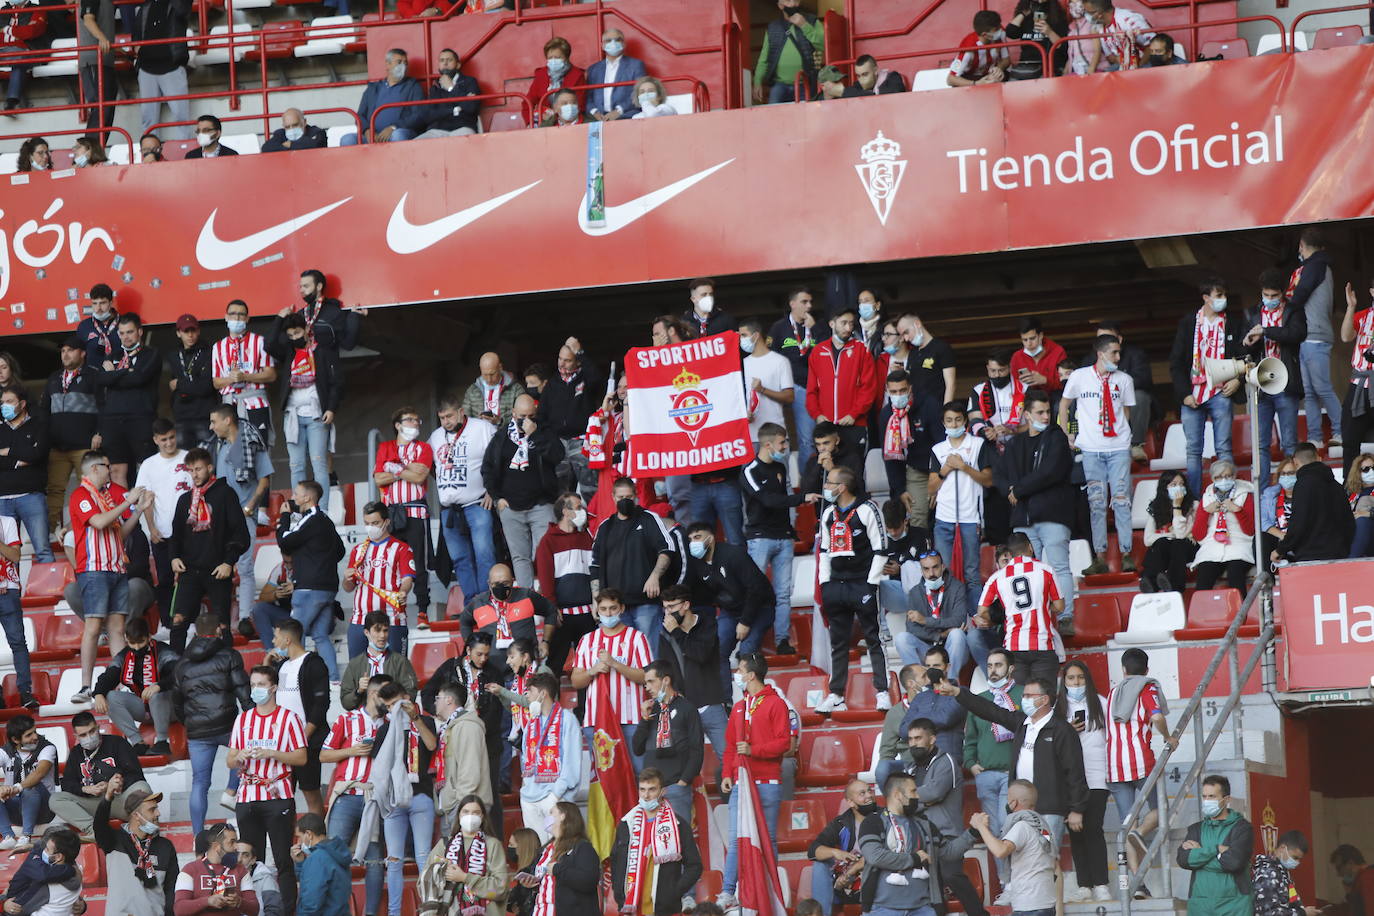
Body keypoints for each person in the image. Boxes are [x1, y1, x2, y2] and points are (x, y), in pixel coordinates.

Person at [936, 675, 1088, 849]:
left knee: (1048, 858)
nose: (1024, 699)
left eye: (1029, 696)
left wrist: (1077, 809)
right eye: (1024, 695)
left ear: (1044, 699)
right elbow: (990, 710)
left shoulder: (1062, 729)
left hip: (1049, 810)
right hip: (1019, 810)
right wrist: (957, 692)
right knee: (1022, 857)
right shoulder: (1022, 723)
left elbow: (1075, 771)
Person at [68, 450, 147, 704]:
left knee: (117, 629)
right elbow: (100, 523)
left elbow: (118, 534)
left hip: (115, 569)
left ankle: (122, 681)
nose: (110, 470)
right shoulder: (81, 495)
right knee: (93, 627)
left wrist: (139, 510)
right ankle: (85, 686)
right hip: (94, 569)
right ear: (94, 469)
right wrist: (128, 502)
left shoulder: (104, 497)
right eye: (106, 466)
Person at [997, 388, 1077, 630]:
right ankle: (1030, 620)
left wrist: (1017, 490)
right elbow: (999, 476)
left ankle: (1065, 618)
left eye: (1047, 412)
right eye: (1040, 412)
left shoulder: (1057, 438)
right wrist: (1009, 490)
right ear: (1026, 414)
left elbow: (1050, 472)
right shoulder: (1014, 444)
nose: (1045, 417)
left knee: (1058, 567)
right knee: (1024, 572)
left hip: (1053, 515)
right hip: (1023, 518)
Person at [229, 666, 307, 913]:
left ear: (274, 688)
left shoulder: (289, 718)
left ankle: (286, 910)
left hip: (278, 796)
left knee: (283, 860)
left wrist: (273, 753)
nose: (256, 690)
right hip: (247, 796)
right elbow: (230, 760)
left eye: (261, 685)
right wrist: (238, 756)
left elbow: (302, 758)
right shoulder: (243, 719)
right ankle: (255, 909)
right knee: (250, 860)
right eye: (253, 685)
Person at [718, 652, 789, 910]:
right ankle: (728, 892)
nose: (737, 675)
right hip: (741, 782)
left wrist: (753, 750)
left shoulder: (776, 704)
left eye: (740, 671)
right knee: (738, 838)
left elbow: (784, 743)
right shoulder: (739, 707)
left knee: (767, 838)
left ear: (751, 675)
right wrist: (727, 772)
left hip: (768, 781)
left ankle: (770, 888)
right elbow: (729, 746)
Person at [1061, 334, 1137, 576]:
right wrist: (1067, 434)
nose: (1118, 356)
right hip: (1092, 449)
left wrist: (1123, 436)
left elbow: (1126, 410)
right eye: (1114, 352)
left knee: (1122, 500)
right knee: (1096, 503)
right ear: (1101, 353)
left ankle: (1127, 554)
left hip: (1118, 447)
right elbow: (1064, 404)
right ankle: (1100, 557)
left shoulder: (1124, 379)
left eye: (1118, 352)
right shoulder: (1079, 376)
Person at [815, 465, 888, 714]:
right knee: (838, 642)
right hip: (836, 585)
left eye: (829, 483)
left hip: (861, 583)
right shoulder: (828, 514)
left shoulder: (868, 510)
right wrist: (825, 583)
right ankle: (836, 694)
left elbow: (881, 549)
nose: (825, 488)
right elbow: (824, 551)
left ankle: (882, 691)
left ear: (841, 487)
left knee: (873, 638)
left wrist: (871, 583)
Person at [172, 610, 250, 834]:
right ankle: (230, 792)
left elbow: (176, 702)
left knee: (199, 783)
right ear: (218, 630)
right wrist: (252, 717)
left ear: (195, 633)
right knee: (247, 751)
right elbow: (243, 691)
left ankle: (198, 835)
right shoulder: (229, 655)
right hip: (227, 724)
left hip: (197, 731)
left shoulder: (182, 664)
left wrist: (189, 722)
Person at [169, 447, 252, 652]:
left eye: (198, 469)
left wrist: (228, 561)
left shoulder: (225, 494)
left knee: (222, 624)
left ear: (210, 468)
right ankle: (174, 670)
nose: (194, 474)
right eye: (190, 470)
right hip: (189, 570)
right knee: (178, 620)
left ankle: (227, 667)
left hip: (217, 570)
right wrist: (174, 557)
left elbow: (241, 534)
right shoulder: (184, 500)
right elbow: (175, 535)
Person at [1107, 649, 1177, 892]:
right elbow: (1157, 717)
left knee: (1126, 824)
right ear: (1147, 670)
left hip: (1115, 767)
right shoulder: (1147, 687)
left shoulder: (1113, 691)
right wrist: (1169, 738)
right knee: (1163, 811)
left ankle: (1137, 885)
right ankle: (1141, 831)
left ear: (1123, 670)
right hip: (1141, 763)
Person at [905, 717, 989, 916]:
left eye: (918, 738)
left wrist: (914, 798)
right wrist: (920, 799)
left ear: (932, 739)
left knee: (952, 875)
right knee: (931, 889)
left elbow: (934, 792)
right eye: (910, 739)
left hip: (947, 834)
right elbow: (906, 801)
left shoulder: (946, 761)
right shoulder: (910, 768)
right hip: (921, 837)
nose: (913, 743)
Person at [319, 675, 387, 916]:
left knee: (375, 861)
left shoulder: (389, 724)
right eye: (385, 696)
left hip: (375, 799)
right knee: (333, 857)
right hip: (347, 795)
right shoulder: (347, 720)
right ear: (372, 695)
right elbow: (323, 756)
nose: (388, 702)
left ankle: (370, 913)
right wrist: (352, 751)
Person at [1171, 279, 1245, 496]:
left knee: (1224, 447)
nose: (1223, 300)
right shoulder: (1188, 323)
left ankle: (1229, 496)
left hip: (1221, 391)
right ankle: (1194, 500)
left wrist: (1237, 378)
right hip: (1192, 393)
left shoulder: (1232, 321)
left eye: (1224, 295)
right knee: (1194, 451)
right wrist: (1184, 394)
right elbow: (1176, 361)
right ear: (1205, 297)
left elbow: (1242, 355)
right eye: (1218, 295)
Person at [742, 423, 810, 657]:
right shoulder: (749, 470)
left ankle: (782, 640)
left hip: (783, 537)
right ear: (767, 444)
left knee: (782, 594)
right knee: (754, 591)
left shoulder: (780, 467)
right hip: (760, 538)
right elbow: (767, 500)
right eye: (782, 443)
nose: (785, 447)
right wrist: (802, 498)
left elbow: (780, 501)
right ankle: (749, 643)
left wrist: (790, 530)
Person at [482, 394, 560, 590]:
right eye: (522, 416)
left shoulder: (543, 430)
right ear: (513, 413)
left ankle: (547, 597)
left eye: (531, 415)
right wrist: (497, 497)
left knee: (544, 553)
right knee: (520, 557)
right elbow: (488, 468)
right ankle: (527, 599)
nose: (527, 420)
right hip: (510, 506)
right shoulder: (501, 437)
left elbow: (558, 455)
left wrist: (535, 435)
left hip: (541, 504)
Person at [590, 477, 676, 648]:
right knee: (623, 653)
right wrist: (595, 600)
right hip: (614, 605)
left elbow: (667, 549)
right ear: (613, 497)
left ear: (636, 496)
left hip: (646, 602)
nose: (624, 501)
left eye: (628, 497)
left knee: (649, 652)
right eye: (621, 498)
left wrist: (654, 577)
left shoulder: (649, 518)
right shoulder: (605, 527)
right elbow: (595, 564)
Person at [685, 519, 774, 682]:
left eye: (697, 537)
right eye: (690, 539)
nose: (693, 543)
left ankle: (753, 700)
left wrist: (746, 622)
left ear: (710, 538)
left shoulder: (734, 555)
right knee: (717, 651)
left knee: (747, 653)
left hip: (759, 608)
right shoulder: (697, 564)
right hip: (730, 611)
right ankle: (726, 703)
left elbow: (756, 589)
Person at [267, 312, 341, 507]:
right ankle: (300, 510)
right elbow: (269, 345)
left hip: (317, 414)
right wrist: (279, 319)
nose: (294, 338)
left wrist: (331, 408)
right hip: (293, 415)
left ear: (307, 329)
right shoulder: (289, 351)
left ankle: (322, 510)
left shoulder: (322, 351)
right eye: (290, 335)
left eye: (297, 333)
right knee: (296, 465)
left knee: (319, 464)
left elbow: (336, 382)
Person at [206, 404, 273, 620]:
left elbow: (264, 479)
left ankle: (245, 617)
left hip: (244, 516)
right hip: (221, 517)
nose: (211, 426)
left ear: (227, 421)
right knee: (219, 567)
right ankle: (222, 618)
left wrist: (250, 506)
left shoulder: (252, 442)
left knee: (244, 567)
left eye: (214, 421)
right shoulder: (218, 446)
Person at [951, 780, 1056, 916]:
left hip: (1030, 905)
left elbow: (1000, 851)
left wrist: (980, 826)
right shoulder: (1044, 827)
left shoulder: (1022, 826)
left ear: (1014, 803)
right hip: (1046, 902)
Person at [962, 648, 1020, 894]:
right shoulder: (980, 699)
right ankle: (1007, 883)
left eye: (998, 665)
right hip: (985, 776)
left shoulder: (1022, 695)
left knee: (1008, 830)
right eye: (990, 665)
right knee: (993, 831)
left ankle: (1017, 883)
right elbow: (970, 739)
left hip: (1012, 775)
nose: (993, 670)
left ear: (1010, 668)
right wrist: (971, 763)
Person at [654, 585, 729, 771]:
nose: (668, 613)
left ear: (686, 604)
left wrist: (677, 634)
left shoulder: (707, 624)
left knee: (729, 759)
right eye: (665, 608)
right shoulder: (665, 633)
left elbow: (701, 654)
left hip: (710, 704)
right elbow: (665, 670)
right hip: (683, 708)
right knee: (683, 766)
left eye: (671, 607)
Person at [431, 395, 497, 605]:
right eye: (441, 418)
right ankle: (472, 603)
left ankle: (489, 600)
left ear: (461, 411)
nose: (446, 422)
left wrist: (492, 491)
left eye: (449, 416)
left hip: (477, 503)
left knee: (484, 554)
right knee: (460, 559)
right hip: (449, 508)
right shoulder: (435, 437)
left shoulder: (482, 428)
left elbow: (499, 459)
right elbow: (431, 467)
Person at [1243, 269, 1306, 485]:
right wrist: (1249, 342)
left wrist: (1266, 331)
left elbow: (1297, 334)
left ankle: (1293, 488)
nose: (1269, 300)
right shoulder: (1251, 312)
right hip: (1261, 385)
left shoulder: (1294, 310)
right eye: (1266, 295)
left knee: (1289, 442)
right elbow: (1245, 346)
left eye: (1274, 296)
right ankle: (1261, 494)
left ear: (1282, 293)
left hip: (1286, 382)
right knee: (1260, 444)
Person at [276, 481, 345, 678]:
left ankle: (296, 678)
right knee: (321, 636)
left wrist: (284, 517)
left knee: (293, 634)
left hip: (308, 589)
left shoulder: (312, 519)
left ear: (307, 497)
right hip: (327, 588)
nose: (293, 496)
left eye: (296, 493)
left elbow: (285, 541)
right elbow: (340, 551)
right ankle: (333, 680)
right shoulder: (326, 520)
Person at [611, 767, 702, 916]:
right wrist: (619, 892)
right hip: (630, 907)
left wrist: (673, 892)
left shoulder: (677, 825)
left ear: (663, 791)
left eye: (652, 789)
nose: (646, 796)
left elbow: (695, 865)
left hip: (664, 909)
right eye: (642, 789)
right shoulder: (627, 823)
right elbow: (615, 861)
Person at [571, 590, 650, 759]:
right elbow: (576, 681)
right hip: (596, 720)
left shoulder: (637, 638)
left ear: (621, 608)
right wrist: (592, 670)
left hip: (631, 720)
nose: (608, 613)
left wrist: (615, 664)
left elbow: (647, 677)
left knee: (638, 774)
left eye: (613, 608)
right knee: (605, 780)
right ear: (597, 611)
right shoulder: (587, 640)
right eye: (604, 609)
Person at [975, 532, 1063, 684]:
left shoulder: (997, 577)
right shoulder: (1045, 570)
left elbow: (981, 611)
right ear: (1030, 547)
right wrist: (1043, 607)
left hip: (1013, 646)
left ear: (1010, 553)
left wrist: (1005, 616)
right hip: (1042, 644)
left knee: (1019, 701)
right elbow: (1060, 606)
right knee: (1044, 699)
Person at [1057, 660, 1112, 902]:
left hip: (1097, 775)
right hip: (1068, 779)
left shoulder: (1101, 703)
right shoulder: (1057, 708)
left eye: (1080, 677)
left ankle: (1101, 884)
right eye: (1071, 678)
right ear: (1064, 681)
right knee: (1075, 832)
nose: (1076, 683)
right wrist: (1067, 729)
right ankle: (1084, 886)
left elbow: (1111, 738)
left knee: (1093, 829)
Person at [373, 406, 434, 623]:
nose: (415, 423)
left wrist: (395, 469)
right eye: (410, 420)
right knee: (392, 562)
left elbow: (419, 478)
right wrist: (407, 470)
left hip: (416, 511)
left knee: (418, 562)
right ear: (397, 425)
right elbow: (379, 479)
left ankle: (422, 610)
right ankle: (393, 610)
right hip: (391, 512)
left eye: (418, 420)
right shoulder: (385, 447)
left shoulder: (424, 448)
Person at [49, 711, 149, 837]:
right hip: (94, 804)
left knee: (143, 788)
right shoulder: (76, 753)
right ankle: (95, 831)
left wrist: (117, 784)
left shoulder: (117, 743)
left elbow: (136, 775)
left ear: (97, 728)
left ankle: (141, 826)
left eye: (91, 731)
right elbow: (67, 784)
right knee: (55, 799)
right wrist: (85, 789)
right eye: (83, 735)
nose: (89, 737)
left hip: (120, 800)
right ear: (76, 736)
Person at [267, 618, 330, 817]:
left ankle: (318, 838)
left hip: (306, 743)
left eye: (276, 637)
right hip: (281, 744)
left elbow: (321, 705)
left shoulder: (314, 663)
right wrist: (266, 664)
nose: (273, 641)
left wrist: (302, 738)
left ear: (287, 639)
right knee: (283, 798)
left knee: (310, 793)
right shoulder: (281, 666)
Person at [930, 401, 993, 597]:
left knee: (972, 573)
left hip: (970, 518)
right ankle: (951, 620)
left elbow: (988, 480)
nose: (954, 424)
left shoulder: (977, 445)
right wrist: (945, 471)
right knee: (944, 573)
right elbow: (931, 487)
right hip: (943, 518)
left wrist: (964, 467)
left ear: (965, 420)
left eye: (958, 420)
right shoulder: (938, 449)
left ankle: (976, 619)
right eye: (949, 420)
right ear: (943, 423)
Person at [855, 772, 938, 916]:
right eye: (913, 791)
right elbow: (875, 857)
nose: (917, 796)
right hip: (882, 909)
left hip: (922, 908)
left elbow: (948, 851)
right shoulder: (873, 822)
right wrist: (914, 859)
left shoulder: (923, 824)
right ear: (898, 794)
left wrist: (974, 832)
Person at [1290, 229, 1343, 451]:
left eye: (1300, 247)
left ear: (1302, 245)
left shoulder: (1316, 266)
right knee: (1310, 391)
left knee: (1322, 388)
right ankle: (1315, 436)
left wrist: (1286, 307)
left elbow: (1300, 294)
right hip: (1308, 336)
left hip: (1316, 336)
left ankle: (1341, 431)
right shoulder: (1319, 266)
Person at [93, 312, 161, 485]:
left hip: (141, 419)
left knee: (146, 469)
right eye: (122, 333)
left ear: (140, 332)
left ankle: (149, 512)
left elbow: (139, 378)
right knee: (116, 470)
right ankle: (123, 511)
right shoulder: (113, 356)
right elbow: (101, 379)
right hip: (113, 421)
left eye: (129, 332)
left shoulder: (151, 354)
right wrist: (125, 372)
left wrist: (114, 374)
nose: (125, 337)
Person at [42, 336, 101, 532]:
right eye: (63, 351)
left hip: (84, 445)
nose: (65, 354)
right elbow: (44, 411)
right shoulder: (53, 378)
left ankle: (89, 530)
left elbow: (105, 408)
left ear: (82, 353)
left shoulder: (94, 376)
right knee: (54, 490)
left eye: (70, 350)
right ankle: (49, 532)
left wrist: (99, 432)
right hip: (57, 447)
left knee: (90, 488)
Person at [92, 616, 175, 756]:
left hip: (171, 708)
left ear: (149, 637)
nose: (136, 647)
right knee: (111, 696)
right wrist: (98, 693)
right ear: (126, 639)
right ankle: (138, 743)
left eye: (140, 642)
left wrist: (159, 686)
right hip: (144, 707)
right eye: (132, 643)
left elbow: (179, 673)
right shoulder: (124, 656)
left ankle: (162, 742)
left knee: (156, 693)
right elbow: (109, 676)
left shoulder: (163, 651)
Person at [632, 662, 703, 824]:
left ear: (666, 680)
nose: (647, 687)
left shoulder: (687, 709)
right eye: (645, 683)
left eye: (651, 681)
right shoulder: (651, 710)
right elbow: (637, 748)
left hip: (675, 787)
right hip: (650, 792)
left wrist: (683, 782)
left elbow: (696, 749)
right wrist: (644, 720)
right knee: (652, 842)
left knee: (679, 840)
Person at [535, 492, 595, 680]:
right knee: (554, 666)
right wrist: (552, 610)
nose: (582, 512)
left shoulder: (588, 537)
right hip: (562, 616)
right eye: (578, 508)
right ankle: (552, 709)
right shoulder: (548, 541)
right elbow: (545, 580)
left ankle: (586, 710)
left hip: (588, 614)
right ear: (565, 511)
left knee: (588, 667)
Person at [343, 501, 415, 657]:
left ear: (386, 522)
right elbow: (348, 587)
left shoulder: (401, 548)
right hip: (360, 620)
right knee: (358, 673)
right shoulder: (358, 550)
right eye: (367, 523)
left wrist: (403, 592)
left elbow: (407, 579)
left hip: (391, 619)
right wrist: (347, 579)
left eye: (375, 523)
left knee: (394, 673)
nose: (370, 527)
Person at [137, 421, 191, 628]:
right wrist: (151, 528)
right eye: (164, 440)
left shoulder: (188, 457)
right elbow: (146, 498)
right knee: (165, 578)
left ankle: (189, 620)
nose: (169, 443)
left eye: (171, 438)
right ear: (155, 440)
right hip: (162, 532)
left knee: (189, 578)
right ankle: (168, 623)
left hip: (189, 531)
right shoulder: (149, 465)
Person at [807, 306, 880, 458]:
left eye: (851, 323)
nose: (848, 328)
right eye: (844, 323)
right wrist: (817, 415)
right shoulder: (818, 351)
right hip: (826, 425)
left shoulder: (862, 350)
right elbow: (812, 390)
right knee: (828, 472)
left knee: (855, 473)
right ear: (832, 324)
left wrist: (854, 414)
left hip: (854, 423)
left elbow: (869, 388)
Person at [95, 783, 178, 916]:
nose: (158, 813)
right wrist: (108, 797)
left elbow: (171, 890)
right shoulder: (113, 840)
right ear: (136, 815)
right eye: (152, 809)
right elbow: (99, 823)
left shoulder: (165, 846)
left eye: (156, 809)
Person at [514, 672, 578, 844]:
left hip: (554, 797)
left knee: (558, 850)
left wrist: (555, 795)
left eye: (531, 691)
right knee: (536, 852)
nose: (526, 695)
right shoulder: (531, 724)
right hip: (530, 797)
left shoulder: (567, 720)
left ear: (543, 694)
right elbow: (526, 759)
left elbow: (572, 761)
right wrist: (525, 790)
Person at [1177, 774, 1254, 916]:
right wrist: (1216, 850)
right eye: (1204, 796)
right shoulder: (1196, 829)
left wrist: (1200, 853)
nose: (1206, 801)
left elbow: (1234, 862)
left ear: (1226, 800)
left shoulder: (1242, 828)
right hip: (1200, 906)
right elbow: (1183, 859)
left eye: (1212, 796)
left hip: (1235, 907)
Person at [418, 795, 508, 916]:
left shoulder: (493, 845)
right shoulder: (444, 845)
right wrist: (440, 873)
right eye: (466, 812)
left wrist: (465, 878)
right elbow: (423, 883)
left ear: (482, 816)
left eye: (476, 813)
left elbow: (500, 889)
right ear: (459, 815)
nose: (470, 816)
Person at [881, 369, 944, 532]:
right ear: (887, 391)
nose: (898, 395)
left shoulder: (929, 405)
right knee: (916, 516)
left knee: (943, 515)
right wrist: (900, 490)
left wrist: (936, 479)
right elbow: (889, 457)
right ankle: (918, 554)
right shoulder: (886, 414)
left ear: (910, 388)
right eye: (893, 391)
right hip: (914, 471)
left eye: (902, 390)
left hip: (939, 469)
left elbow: (942, 445)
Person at [896, 549, 973, 678]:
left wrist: (925, 621)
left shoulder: (957, 587)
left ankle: (950, 682)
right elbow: (912, 628)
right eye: (926, 569)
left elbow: (959, 621)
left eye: (935, 567)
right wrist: (940, 634)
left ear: (943, 567)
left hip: (951, 649)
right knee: (902, 639)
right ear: (921, 571)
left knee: (957, 634)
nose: (931, 573)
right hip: (928, 649)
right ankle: (920, 683)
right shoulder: (915, 592)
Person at [807, 780, 877, 916]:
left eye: (870, 790)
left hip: (876, 874)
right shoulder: (841, 823)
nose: (869, 795)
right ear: (850, 802)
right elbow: (813, 850)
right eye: (862, 793)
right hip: (848, 882)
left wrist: (852, 871)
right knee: (820, 865)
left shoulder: (884, 817)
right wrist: (835, 852)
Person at [0, 384, 52, 568]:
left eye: (9, 401)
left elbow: (38, 455)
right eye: (2, 402)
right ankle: (10, 595)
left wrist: (8, 451)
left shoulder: (39, 425)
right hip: (2, 499)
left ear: (22, 404)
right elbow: (29, 455)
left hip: (31, 497)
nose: (4, 405)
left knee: (43, 549)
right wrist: (18, 460)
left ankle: (51, 593)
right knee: (7, 555)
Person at [1277, 441, 1355, 562]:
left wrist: (1281, 550)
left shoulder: (1303, 485)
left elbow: (1299, 522)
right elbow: (1349, 523)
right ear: (1318, 459)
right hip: (1339, 555)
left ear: (1296, 462)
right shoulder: (1337, 486)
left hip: (1310, 556)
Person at [432, 681, 493, 833]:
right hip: (455, 804)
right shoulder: (452, 726)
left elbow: (470, 770)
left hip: (466, 806)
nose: (435, 702)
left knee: (465, 854)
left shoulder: (467, 726)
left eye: (437, 698)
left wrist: (463, 805)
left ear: (448, 700)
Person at [769, 288, 819, 465]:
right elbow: (770, 357)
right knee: (777, 436)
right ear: (792, 304)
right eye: (804, 302)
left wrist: (815, 329)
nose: (809, 306)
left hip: (806, 387)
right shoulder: (779, 327)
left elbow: (825, 351)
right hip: (783, 388)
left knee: (807, 439)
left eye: (810, 302)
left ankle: (807, 485)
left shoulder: (815, 326)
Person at [1191, 460, 1255, 591]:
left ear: (1234, 476)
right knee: (1205, 573)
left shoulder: (1245, 495)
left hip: (1239, 545)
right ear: (1212, 479)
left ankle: (1241, 611)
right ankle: (1202, 611)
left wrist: (1237, 510)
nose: (1223, 480)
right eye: (1218, 477)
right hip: (1211, 547)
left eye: (1228, 476)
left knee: (1236, 574)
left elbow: (1250, 530)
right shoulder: (1207, 497)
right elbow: (1198, 535)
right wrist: (1205, 512)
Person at [342, 48, 423, 144]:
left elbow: (418, 114)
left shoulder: (413, 86)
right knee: (347, 139)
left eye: (405, 63)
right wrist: (367, 131)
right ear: (388, 64)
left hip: (398, 132)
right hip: (373, 136)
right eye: (399, 62)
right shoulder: (373, 88)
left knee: (398, 135)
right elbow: (360, 115)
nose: (403, 66)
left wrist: (393, 127)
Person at [530, 803, 600, 914]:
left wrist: (557, 869)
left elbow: (589, 880)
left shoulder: (582, 847)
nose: (548, 817)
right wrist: (531, 883)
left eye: (552, 813)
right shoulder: (546, 848)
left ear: (563, 816)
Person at [0, 716, 57, 851]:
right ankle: (8, 836)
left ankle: (26, 836)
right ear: (15, 740)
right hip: (16, 810)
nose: (35, 736)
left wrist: (16, 788)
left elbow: (39, 773)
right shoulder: (5, 751)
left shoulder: (47, 747)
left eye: (35, 731)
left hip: (44, 809)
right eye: (29, 735)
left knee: (30, 786)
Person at [175, 822, 257, 915]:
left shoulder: (241, 870)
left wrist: (239, 902)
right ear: (216, 846)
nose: (236, 847)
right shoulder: (190, 870)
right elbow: (179, 909)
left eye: (236, 842)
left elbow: (255, 908)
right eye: (232, 842)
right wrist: (207, 901)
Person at [341, 613, 418, 711]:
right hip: (365, 720)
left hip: (393, 717)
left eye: (385, 631)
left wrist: (393, 701)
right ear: (366, 632)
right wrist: (358, 691)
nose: (382, 635)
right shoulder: (355, 664)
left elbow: (411, 692)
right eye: (377, 630)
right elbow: (345, 702)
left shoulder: (400, 661)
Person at [0, 825, 83, 914]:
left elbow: (19, 908)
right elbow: (69, 897)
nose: (43, 851)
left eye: (46, 848)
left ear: (58, 856)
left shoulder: (44, 879)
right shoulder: (77, 869)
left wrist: (4, 904)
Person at [753, 0, 823, 103]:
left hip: (805, 83)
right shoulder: (773, 27)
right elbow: (764, 59)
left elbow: (824, 44)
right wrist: (757, 81)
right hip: (779, 85)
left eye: (795, 0)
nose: (793, 4)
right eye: (788, 1)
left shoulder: (812, 21)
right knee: (774, 116)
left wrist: (804, 25)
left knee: (806, 117)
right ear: (780, 5)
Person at [1142, 471, 1197, 593]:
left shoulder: (1194, 506)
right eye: (1174, 485)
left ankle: (1174, 585)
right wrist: (1168, 535)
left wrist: (1177, 507)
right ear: (1165, 488)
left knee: (1178, 544)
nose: (1179, 488)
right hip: (1167, 547)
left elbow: (1181, 535)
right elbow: (1147, 539)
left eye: (1182, 484)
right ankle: (1150, 583)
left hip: (1188, 547)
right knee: (1161, 542)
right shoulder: (1156, 506)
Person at [1340, 275, 1374, 474]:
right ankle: (1349, 492)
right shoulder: (1362, 315)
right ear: (1371, 292)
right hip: (1360, 385)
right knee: (1350, 442)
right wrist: (1351, 306)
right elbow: (1345, 336)